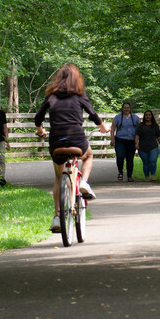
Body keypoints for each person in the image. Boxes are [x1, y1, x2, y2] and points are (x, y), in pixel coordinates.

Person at [34, 64, 109, 233]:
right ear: (77, 79)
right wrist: (103, 127)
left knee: (59, 176)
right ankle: (83, 183)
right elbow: (93, 114)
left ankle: (57, 217)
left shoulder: (51, 96)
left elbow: (38, 117)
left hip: (56, 141)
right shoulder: (79, 95)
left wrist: (40, 130)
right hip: (77, 139)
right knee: (88, 156)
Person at [110, 102, 140, 182]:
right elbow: (113, 128)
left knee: (130, 159)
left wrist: (138, 141)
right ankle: (120, 172)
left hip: (131, 141)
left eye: (128, 108)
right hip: (120, 140)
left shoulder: (135, 118)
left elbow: (140, 129)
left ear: (130, 108)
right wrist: (112, 139)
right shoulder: (118, 117)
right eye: (125, 108)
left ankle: (129, 176)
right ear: (122, 109)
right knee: (120, 156)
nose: (126, 109)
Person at [135, 110, 160, 181]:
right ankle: (147, 176)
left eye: (149, 115)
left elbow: (158, 136)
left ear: (151, 116)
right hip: (143, 147)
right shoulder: (140, 126)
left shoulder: (155, 126)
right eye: (146, 115)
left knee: (153, 161)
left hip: (153, 147)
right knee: (146, 162)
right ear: (144, 116)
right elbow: (137, 135)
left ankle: (153, 175)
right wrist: (136, 143)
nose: (148, 116)